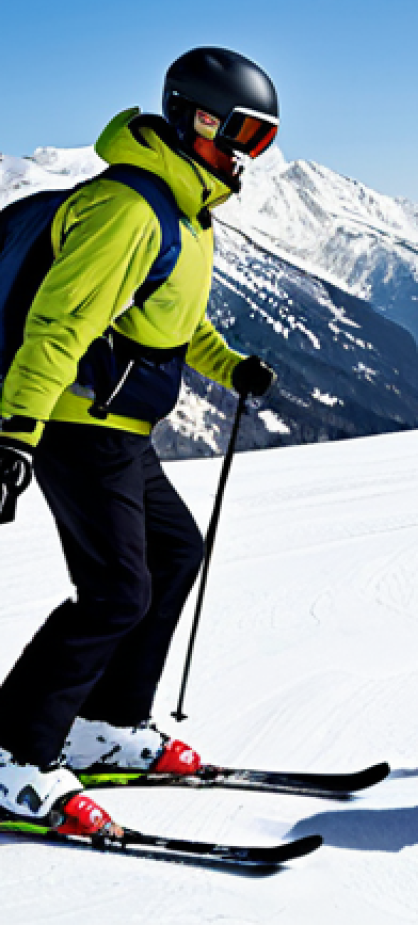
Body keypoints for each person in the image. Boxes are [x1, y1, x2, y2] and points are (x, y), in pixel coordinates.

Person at [0, 47, 279, 833]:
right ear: (196, 115)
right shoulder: (130, 206)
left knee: (173, 555)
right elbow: (60, 326)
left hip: (122, 430)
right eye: (243, 134)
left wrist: (233, 367)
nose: (247, 155)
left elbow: (174, 325)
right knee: (115, 590)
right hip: (72, 425)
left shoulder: (187, 215)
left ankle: (108, 728)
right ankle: (13, 753)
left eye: (261, 141)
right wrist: (14, 434)